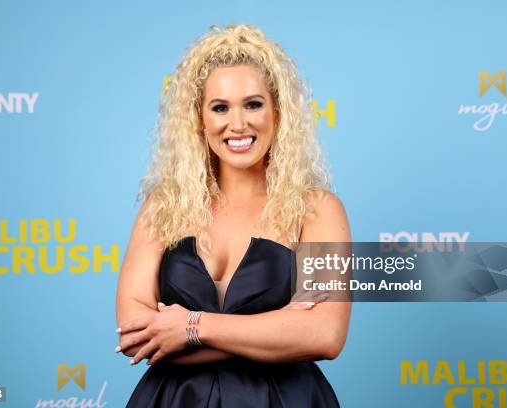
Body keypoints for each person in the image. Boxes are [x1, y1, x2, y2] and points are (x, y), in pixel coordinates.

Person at [115, 23, 352, 408]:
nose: (237, 124)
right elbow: (136, 336)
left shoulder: (318, 209)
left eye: (253, 104)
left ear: (278, 113)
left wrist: (189, 328)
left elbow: (324, 334)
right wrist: (277, 329)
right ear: (199, 119)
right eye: (220, 107)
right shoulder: (163, 206)